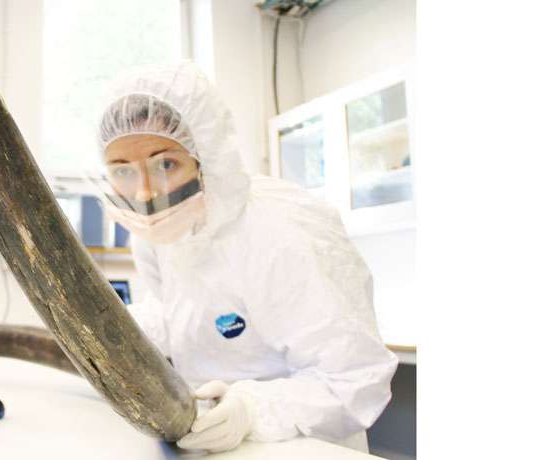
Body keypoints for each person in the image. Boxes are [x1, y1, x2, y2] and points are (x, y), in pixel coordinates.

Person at [91, 60, 398, 453]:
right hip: (209, 444)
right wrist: (116, 335)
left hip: (302, 446)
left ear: (207, 155)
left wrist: (254, 410)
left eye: (165, 163)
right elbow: (177, 311)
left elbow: (354, 376)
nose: (145, 194)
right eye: (123, 171)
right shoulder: (159, 236)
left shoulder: (283, 230)